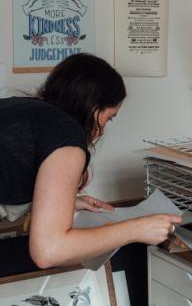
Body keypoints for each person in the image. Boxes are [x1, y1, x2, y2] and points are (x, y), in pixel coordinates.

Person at [0, 53, 181, 269]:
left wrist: (63, 202)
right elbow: (48, 251)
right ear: (94, 108)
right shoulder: (65, 138)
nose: (103, 129)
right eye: (109, 117)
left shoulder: (19, 109)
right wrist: (136, 229)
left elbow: (9, 176)